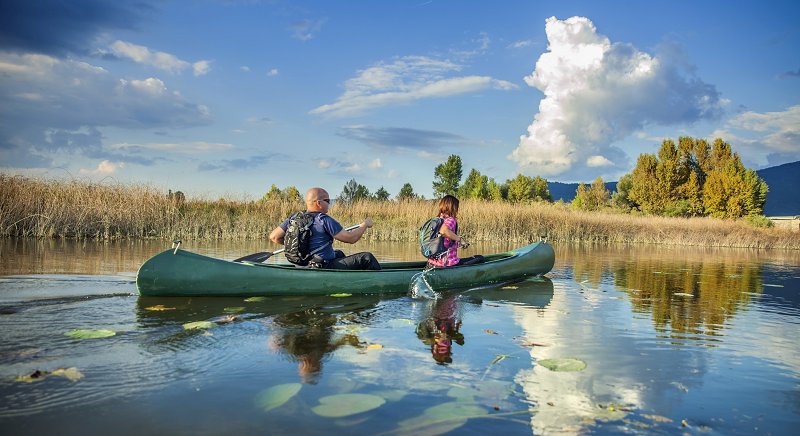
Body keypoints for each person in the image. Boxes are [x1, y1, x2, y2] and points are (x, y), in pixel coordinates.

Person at [269, 187, 380, 270]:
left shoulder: (294, 217)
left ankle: (345, 278)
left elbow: (274, 237)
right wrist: (365, 225)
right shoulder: (323, 219)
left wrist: (300, 244)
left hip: (302, 265)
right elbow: (351, 238)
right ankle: (378, 282)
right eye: (328, 201)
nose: (329, 204)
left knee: (339, 254)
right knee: (367, 258)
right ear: (319, 203)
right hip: (322, 266)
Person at [427, 194, 484, 268]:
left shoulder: (437, 220)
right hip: (447, 264)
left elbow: (442, 240)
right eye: (457, 207)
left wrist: (457, 243)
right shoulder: (451, 220)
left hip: (431, 263)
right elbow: (443, 231)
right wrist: (460, 239)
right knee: (480, 258)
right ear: (453, 207)